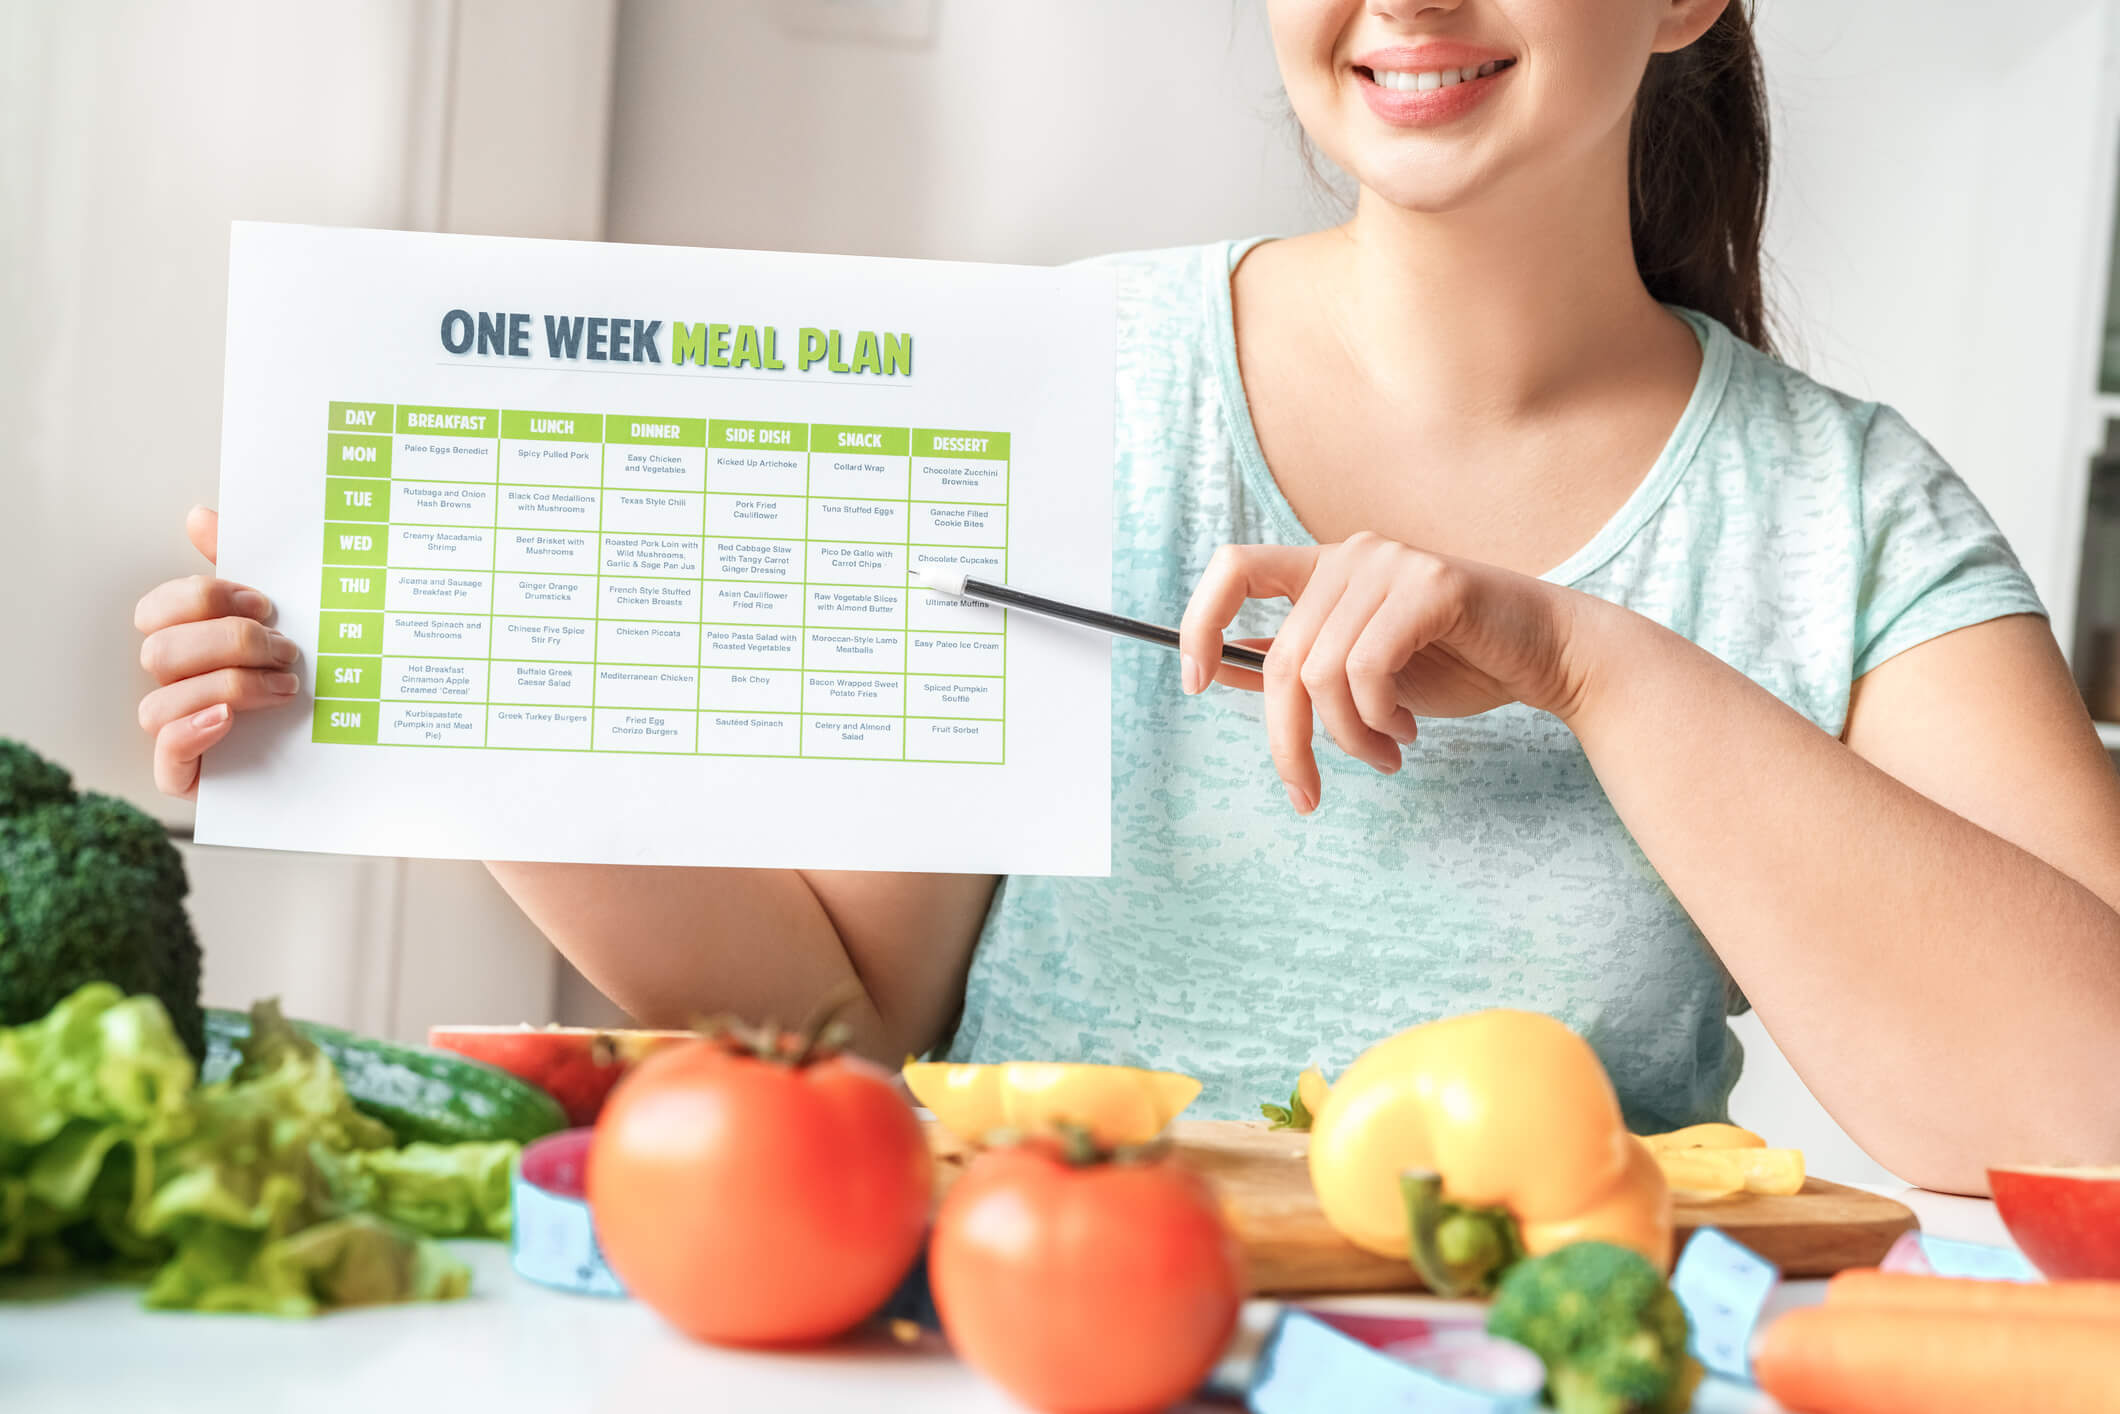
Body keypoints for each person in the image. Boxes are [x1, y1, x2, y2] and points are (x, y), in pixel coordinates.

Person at [133, 0, 2120, 1194]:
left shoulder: (1842, 514)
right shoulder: (1068, 382)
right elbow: (837, 1012)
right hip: (1020, 1332)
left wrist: (1587, 659)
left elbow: (2086, 1106)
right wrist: (432, 707)